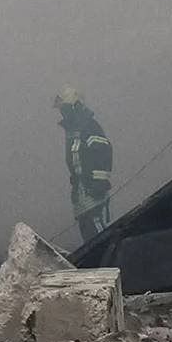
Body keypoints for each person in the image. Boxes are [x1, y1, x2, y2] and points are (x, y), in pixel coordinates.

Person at [53, 85, 114, 241]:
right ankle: (96, 261)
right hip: (81, 193)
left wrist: (98, 184)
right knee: (87, 231)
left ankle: (107, 259)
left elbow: (103, 154)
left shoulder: (90, 127)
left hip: (93, 192)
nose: (63, 113)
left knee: (98, 233)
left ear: (75, 106)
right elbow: (75, 162)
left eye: (65, 108)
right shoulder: (73, 132)